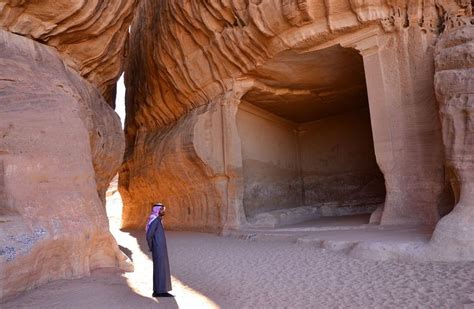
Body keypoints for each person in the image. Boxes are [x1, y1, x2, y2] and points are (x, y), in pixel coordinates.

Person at [146, 203, 173, 297]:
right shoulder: (155, 220)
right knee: (160, 268)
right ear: (157, 210)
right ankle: (160, 291)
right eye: (161, 209)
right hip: (158, 248)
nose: (163, 211)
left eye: (163, 209)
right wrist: (152, 246)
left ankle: (158, 290)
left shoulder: (157, 219)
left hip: (159, 248)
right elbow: (149, 234)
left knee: (160, 268)